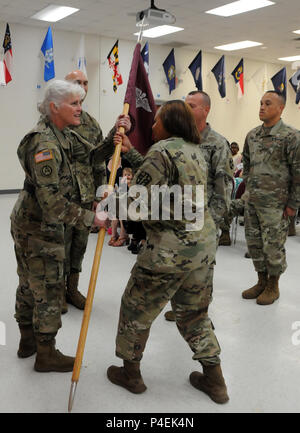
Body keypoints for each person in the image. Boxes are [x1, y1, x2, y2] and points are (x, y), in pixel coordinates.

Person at [98, 100, 229, 404]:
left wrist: (105, 206)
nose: (152, 125)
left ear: (168, 123)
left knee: (135, 309)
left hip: (169, 251)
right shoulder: (195, 148)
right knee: (195, 315)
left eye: (156, 121)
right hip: (201, 248)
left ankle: (130, 374)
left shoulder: (161, 150)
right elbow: (164, 179)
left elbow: (137, 203)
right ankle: (215, 380)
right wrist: (131, 151)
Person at [10, 80, 105, 372]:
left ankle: (27, 341)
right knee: (49, 289)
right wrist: (92, 219)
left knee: (29, 283)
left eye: (80, 102)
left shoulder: (61, 133)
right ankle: (45, 353)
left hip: (33, 223)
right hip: (40, 227)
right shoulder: (45, 144)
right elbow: (51, 203)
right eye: (74, 103)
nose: (80, 108)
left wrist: (115, 137)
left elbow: (89, 157)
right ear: (55, 107)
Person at [63, 70, 131, 311]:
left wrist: (98, 195)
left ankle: (72, 289)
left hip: (84, 196)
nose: (82, 85)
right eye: (76, 82)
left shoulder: (90, 123)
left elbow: (98, 158)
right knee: (58, 246)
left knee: (79, 245)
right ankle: (56, 294)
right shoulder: (58, 119)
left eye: (85, 82)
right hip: (61, 199)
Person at [164, 91, 234, 320]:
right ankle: (182, 308)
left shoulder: (217, 143)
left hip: (205, 219)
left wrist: (211, 223)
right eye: (185, 105)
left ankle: (200, 315)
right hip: (180, 218)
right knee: (181, 265)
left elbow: (224, 187)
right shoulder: (180, 141)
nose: (186, 109)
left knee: (202, 271)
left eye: (192, 105)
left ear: (206, 110)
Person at [242, 90, 300, 305]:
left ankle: (273, 285)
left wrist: (293, 204)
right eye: (260, 103)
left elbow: (298, 174)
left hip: (277, 205)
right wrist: (249, 188)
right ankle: (261, 281)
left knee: (273, 246)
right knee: (255, 244)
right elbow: (246, 164)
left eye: (267, 103)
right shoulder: (252, 135)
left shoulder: (291, 137)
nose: (262, 107)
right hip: (253, 202)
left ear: (280, 108)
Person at [108, 167, 133, 247]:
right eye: (125, 175)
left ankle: (123, 236)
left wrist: (128, 184)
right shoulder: (121, 184)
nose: (127, 177)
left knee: (122, 213)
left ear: (132, 176)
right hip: (122, 204)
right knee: (114, 214)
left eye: (129, 175)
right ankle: (114, 235)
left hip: (130, 205)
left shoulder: (133, 184)